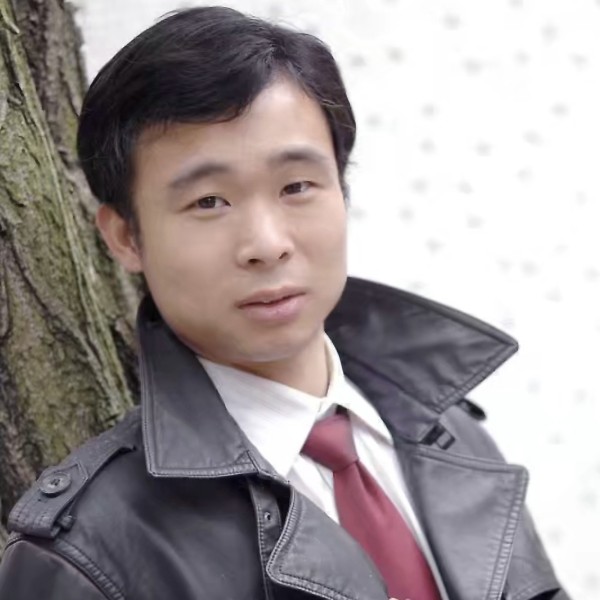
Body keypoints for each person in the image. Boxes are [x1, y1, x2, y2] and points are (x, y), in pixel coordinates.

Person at [0, 6, 569, 600]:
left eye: (297, 186)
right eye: (209, 202)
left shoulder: (450, 436)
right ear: (125, 237)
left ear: (341, 189)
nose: (267, 244)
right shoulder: (90, 556)